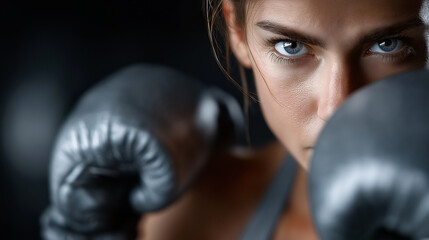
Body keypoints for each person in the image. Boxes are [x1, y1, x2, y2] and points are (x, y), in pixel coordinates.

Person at [137, 0, 429, 239]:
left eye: (388, 45)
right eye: (291, 47)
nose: (336, 107)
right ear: (237, 32)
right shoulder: (192, 218)